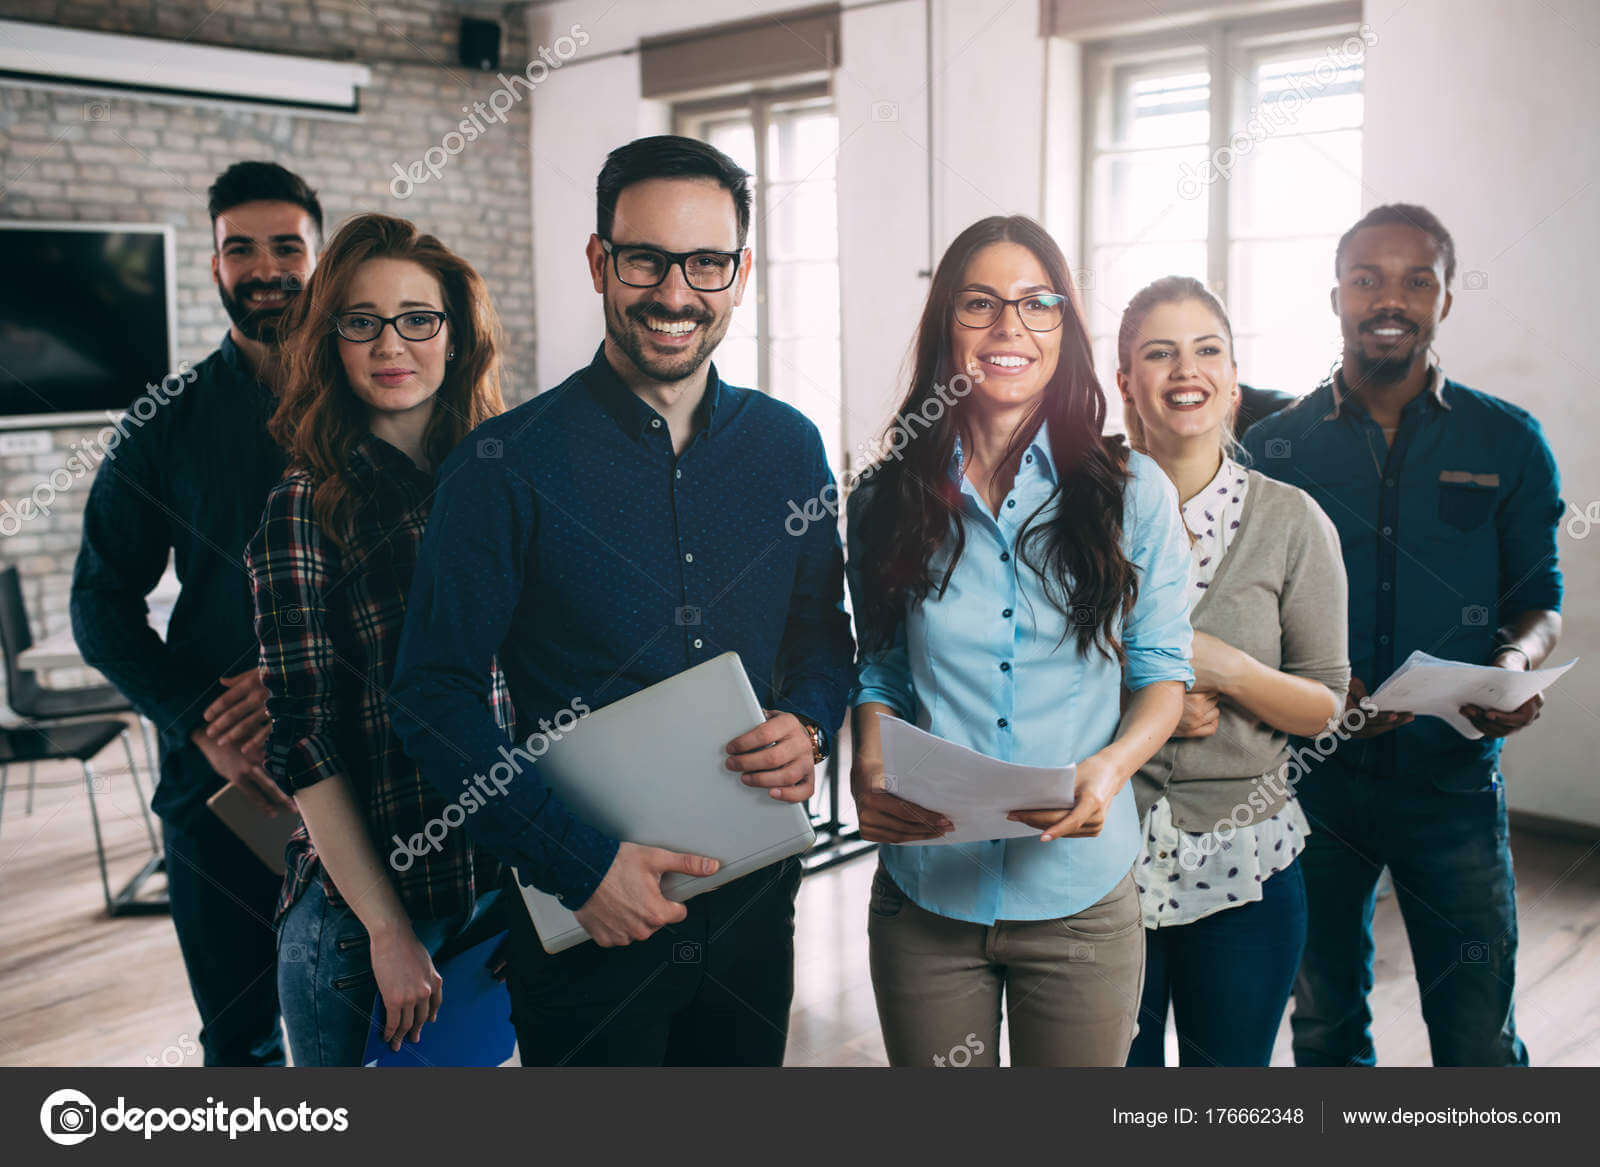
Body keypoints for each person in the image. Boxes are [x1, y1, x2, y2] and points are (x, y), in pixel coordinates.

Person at [388, 135, 854, 1067]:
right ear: (600, 260)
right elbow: (431, 699)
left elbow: (822, 636)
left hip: (755, 907)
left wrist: (807, 720)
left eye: (706, 263)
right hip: (587, 924)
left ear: (741, 272)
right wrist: (580, 864)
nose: (676, 293)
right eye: (645, 258)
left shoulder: (790, 448)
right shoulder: (501, 467)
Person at [844, 215, 1192, 1068]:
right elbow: (882, 665)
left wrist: (1108, 770)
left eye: (1039, 304)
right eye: (981, 304)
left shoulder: (1132, 492)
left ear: (1065, 329)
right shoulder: (886, 495)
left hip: (1079, 903)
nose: (1011, 328)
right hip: (926, 898)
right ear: (945, 328)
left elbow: (1162, 675)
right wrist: (865, 759)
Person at [1242, 203, 1563, 1066]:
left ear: (1445, 299)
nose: (1392, 298)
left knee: (1477, 1035)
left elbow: (1540, 596)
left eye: (1417, 279)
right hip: (1310, 787)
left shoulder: (1508, 440)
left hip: (1452, 783)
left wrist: (1511, 663)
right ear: (1337, 295)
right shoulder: (1274, 448)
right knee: (1324, 1023)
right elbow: (1239, 610)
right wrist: (1303, 682)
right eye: (1368, 278)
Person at [245, 214, 510, 1065]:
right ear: (331, 341)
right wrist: (389, 931)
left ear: (455, 335)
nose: (391, 343)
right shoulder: (303, 505)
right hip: (369, 927)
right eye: (361, 321)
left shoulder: (498, 480)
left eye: (417, 318)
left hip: (498, 889)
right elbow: (303, 739)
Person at [71, 161, 321, 1066]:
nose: (265, 268)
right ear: (213, 267)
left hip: (376, 769)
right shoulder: (162, 423)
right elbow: (99, 605)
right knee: (243, 1040)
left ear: (320, 258)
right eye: (239, 248)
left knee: (385, 1028)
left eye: (286, 245)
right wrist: (199, 722)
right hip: (226, 791)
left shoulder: (384, 396)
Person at [1114, 276, 1349, 1067]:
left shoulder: (1292, 521)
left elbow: (1327, 706)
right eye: (1160, 352)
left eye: (1207, 349)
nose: (1187, 369)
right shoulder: (1071, 515)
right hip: (1097, 860)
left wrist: (1234, 669)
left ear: (1233, 379)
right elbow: (1023, 674)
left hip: (1246, 868)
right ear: (1125, 382)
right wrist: (1149, 701)